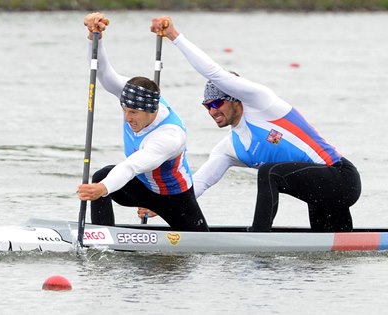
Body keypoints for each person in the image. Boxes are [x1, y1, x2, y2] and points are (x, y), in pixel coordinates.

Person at [143, 16, 361, 232]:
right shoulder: (228, 148)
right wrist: (160, 203)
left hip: (342, 179)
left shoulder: (262, 103)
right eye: (207, 105)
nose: (212, 111)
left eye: (217, 102)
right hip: (319, 195)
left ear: (236, 98)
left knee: (269, 172)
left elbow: (213, 72)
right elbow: (199, 183)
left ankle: (259, 236)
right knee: (328, 261)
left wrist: (173, 36)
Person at [76, 12, 209, 232]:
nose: (128, 119)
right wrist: (93, 36)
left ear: (152, 111)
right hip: (141, 187)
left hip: (174, 197)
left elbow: (131, 166)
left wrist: (102, 188)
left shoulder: (170, 135)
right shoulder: (134, 94)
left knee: (199, 246)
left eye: (134, 113)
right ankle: (100, 236)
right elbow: (105, 75)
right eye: (125, 110)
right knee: (101, 175)